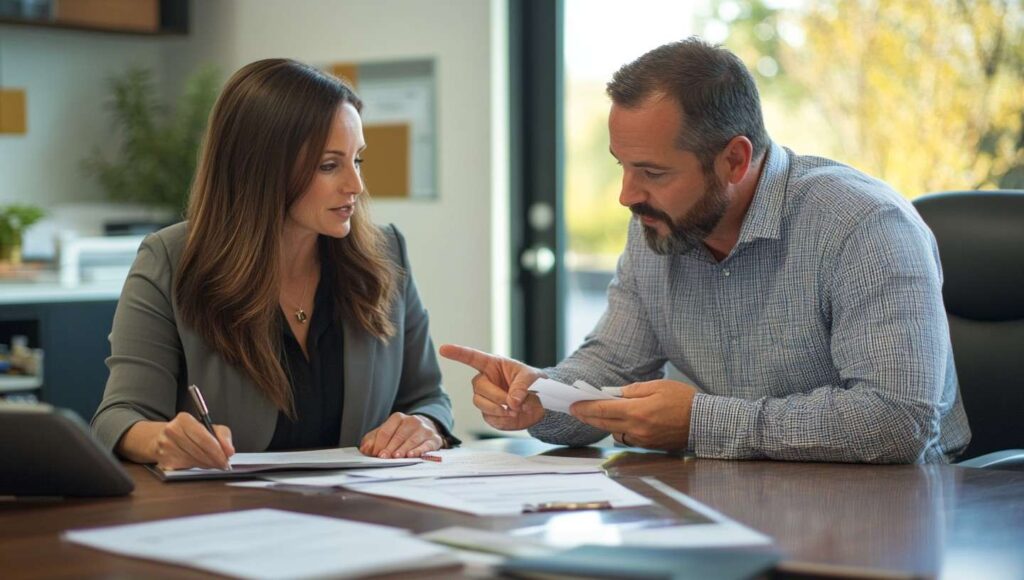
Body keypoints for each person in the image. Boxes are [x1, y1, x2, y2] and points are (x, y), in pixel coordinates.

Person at [442, 38, 970, 463]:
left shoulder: (863, 226)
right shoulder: (660, 226)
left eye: (652, 172)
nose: (627, 195)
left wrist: (701, 422)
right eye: (621, 165)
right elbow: (613, 365)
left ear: (735, 161)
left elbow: (898, 418)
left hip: (893, 513)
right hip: (736, 499)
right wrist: (538, 398)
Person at [92, 59, 456, 471]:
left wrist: (425, 424)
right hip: (226, 518)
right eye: (329, 165)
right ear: (261, 168)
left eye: (358, 161)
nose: (356, 185)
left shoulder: (387, 253)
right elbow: (118, 418)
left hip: (362, 515)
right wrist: (163, 440)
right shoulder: (170, 260)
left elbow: (429, 398)